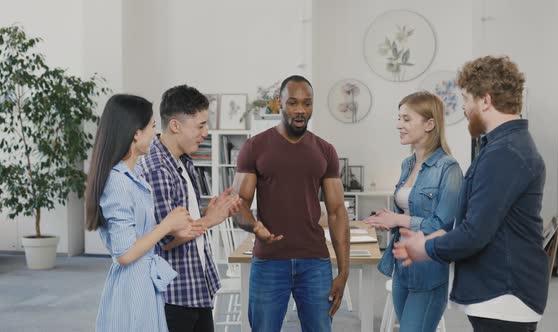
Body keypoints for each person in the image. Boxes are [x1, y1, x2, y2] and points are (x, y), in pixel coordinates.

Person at [394, 56, 549, 332]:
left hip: (505, 294)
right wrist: (444, 235)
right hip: (500, 293)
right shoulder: (503, 146)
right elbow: (485, 218)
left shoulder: (505, 153)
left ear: (485, 101)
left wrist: (426, 247)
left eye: (466, 99)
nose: (464, 108)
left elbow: (476, 233)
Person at [232, 75, 350, 332]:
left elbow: (337, 212)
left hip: (315, 263)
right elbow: (238, 205)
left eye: (307, 104)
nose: (300, 110)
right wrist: (255, 227)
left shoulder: (325, 150)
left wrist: (343, 272)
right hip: (269, 262)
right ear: (279, 103)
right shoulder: (255, 147)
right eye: (293, 103)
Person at [86, 94, 202, 331]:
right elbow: (125, 253)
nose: (154, 134)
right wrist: (167, 225)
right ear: (136, 133)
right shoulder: (118, 182)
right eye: (151, 126)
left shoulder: (134, 175)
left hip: (145, 282)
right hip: (133, 286)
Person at [136, 85, 241, 332]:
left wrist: (205, 213)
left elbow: (182, 221)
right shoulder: (157, 169)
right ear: (175, 125)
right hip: (174, 295)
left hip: (195, 286)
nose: (205, 132)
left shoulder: (183, 160)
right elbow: (164, 239)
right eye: (200, 125)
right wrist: (209, 221)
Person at [363, 91, 463, 332]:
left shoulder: (448, 168)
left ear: (429, 124)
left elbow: (443, 225)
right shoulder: (407, 164)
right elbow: (410, 210)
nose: (399, 125)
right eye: (399, 118)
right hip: (402, 268)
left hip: (428, 271)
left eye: (407, 119)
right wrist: (389, 220)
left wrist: (398, 218)